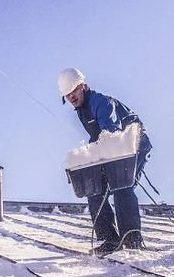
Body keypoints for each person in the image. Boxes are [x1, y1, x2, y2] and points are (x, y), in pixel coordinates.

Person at [58, 68, 152, 254]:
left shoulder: (101, 103)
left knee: (122, 186)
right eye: (67, 95)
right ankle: (109, 240)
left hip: (134, 145)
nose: (71, 97)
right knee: (94, 190)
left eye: (74, 92)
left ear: (84, 86)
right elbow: (99, 139)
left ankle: (131, 239)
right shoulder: (82, 110)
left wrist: (96, 153)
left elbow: (111, 133)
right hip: (114, 150)